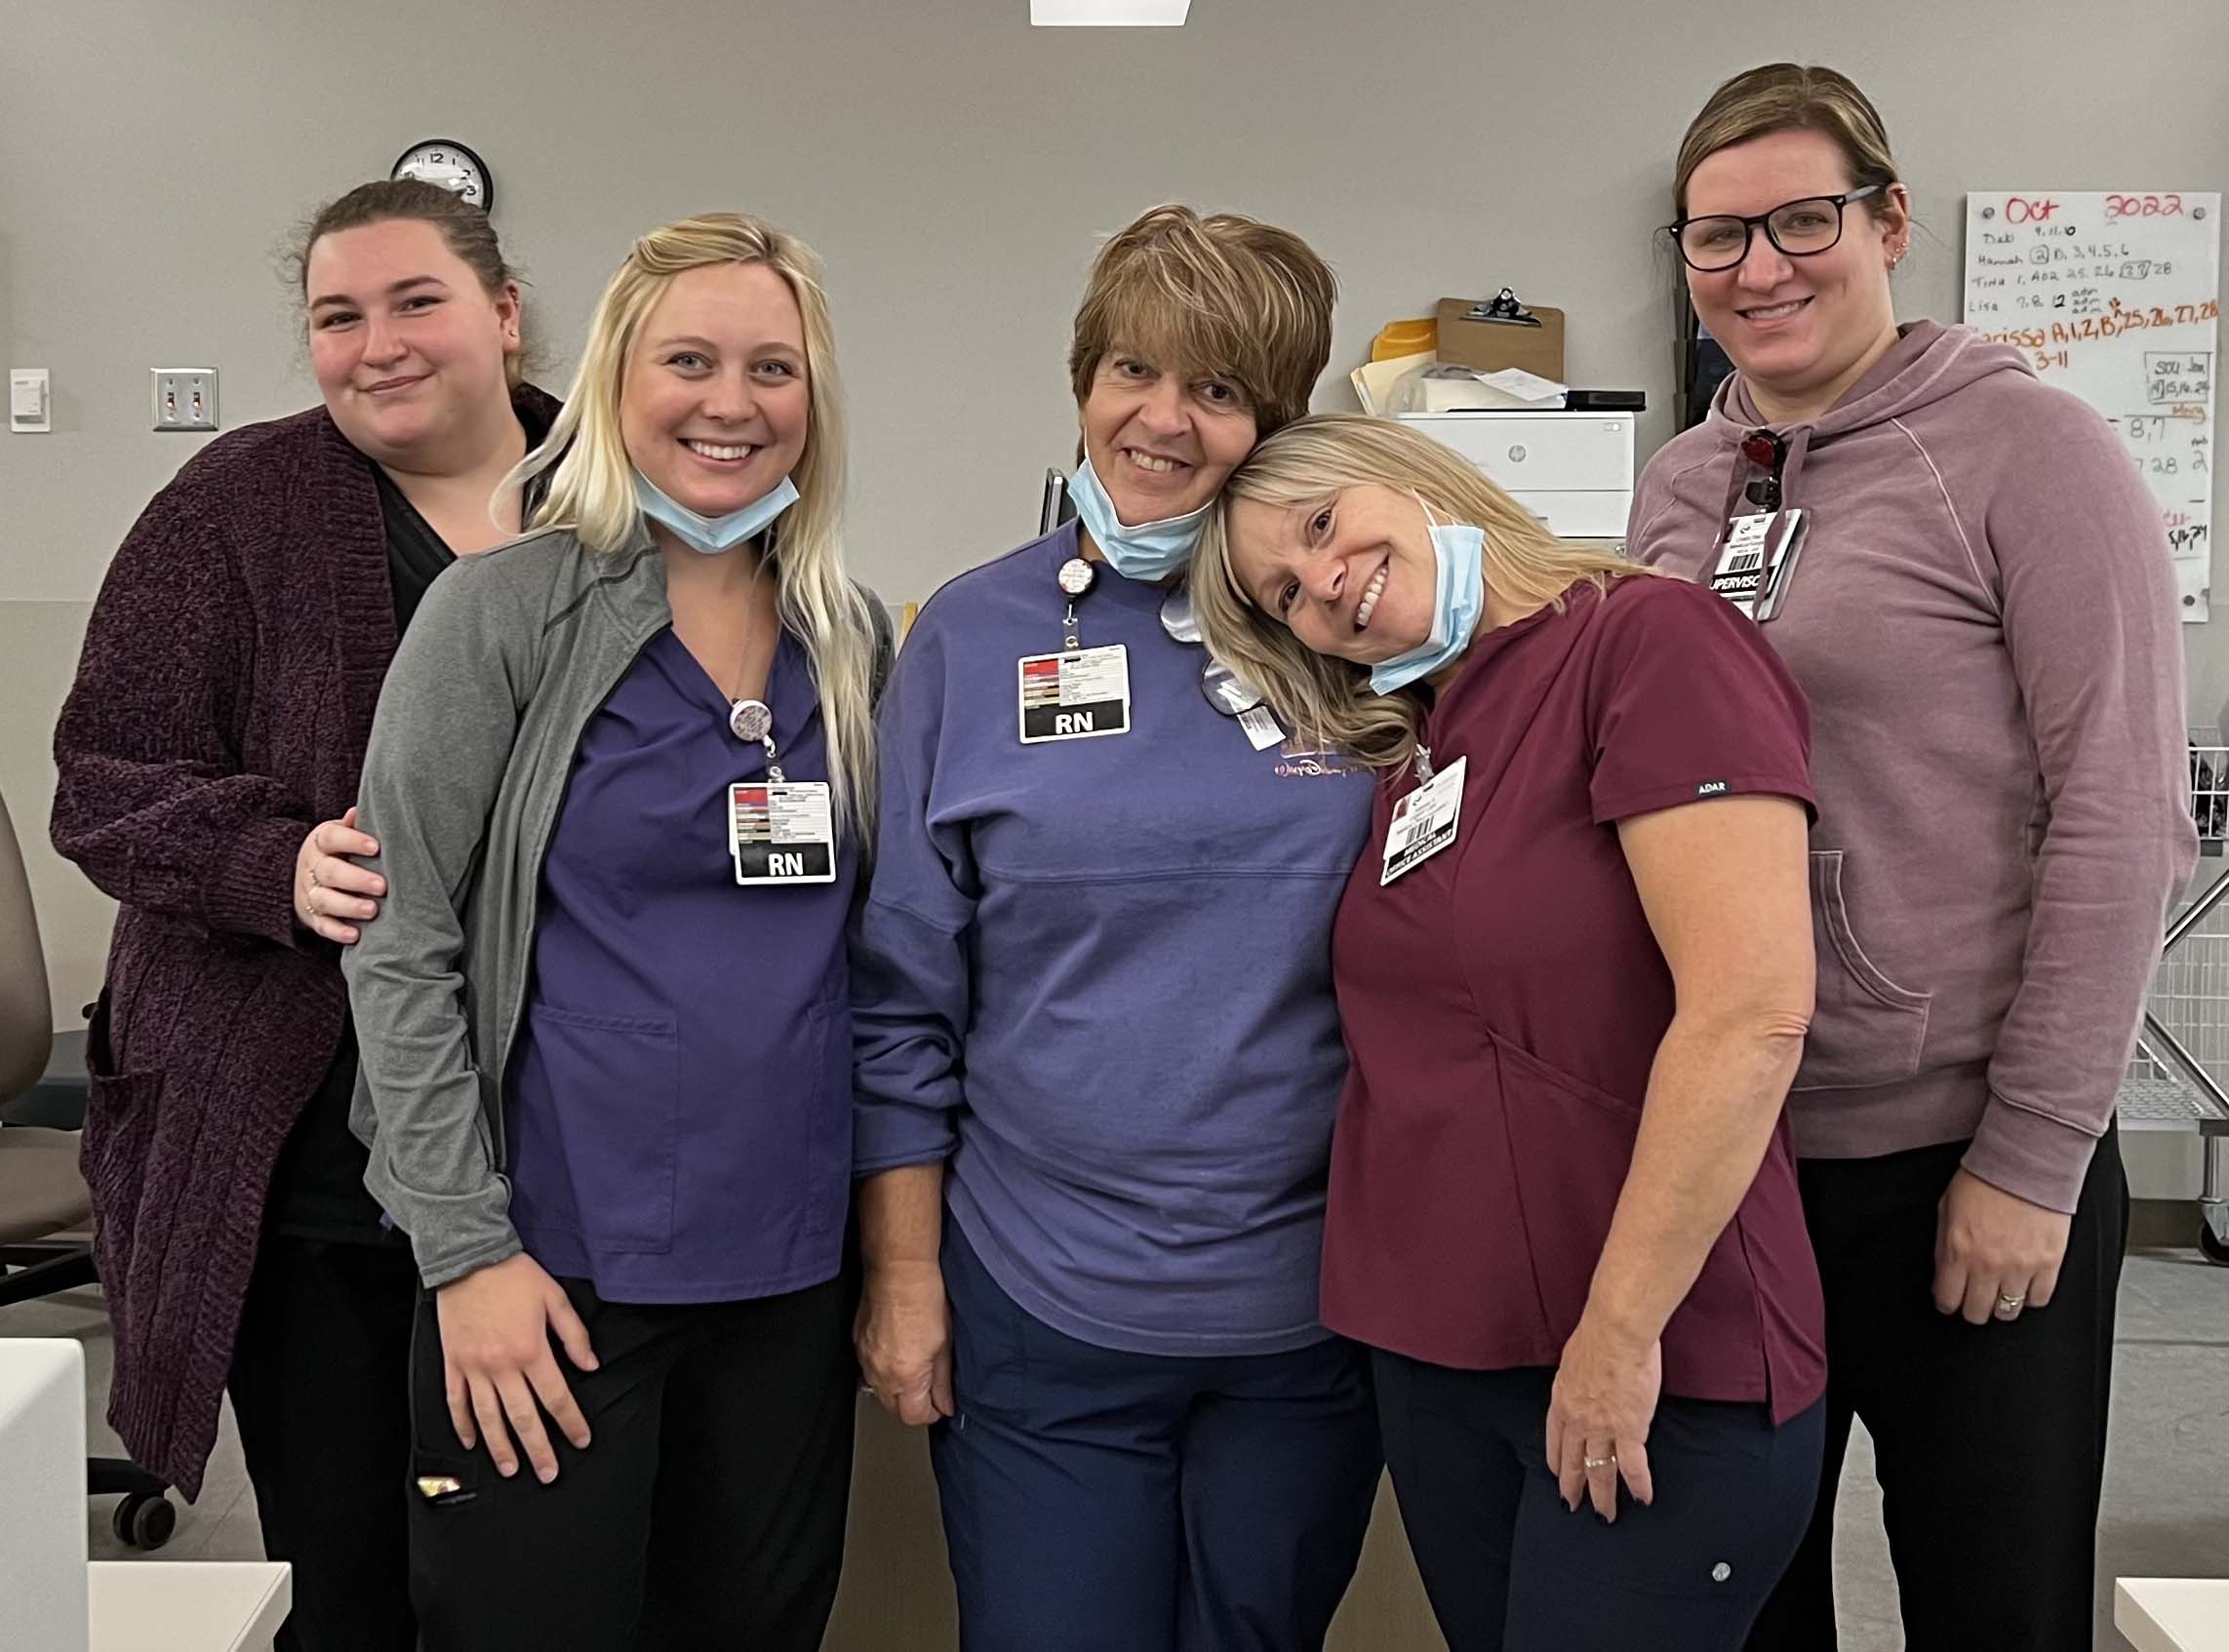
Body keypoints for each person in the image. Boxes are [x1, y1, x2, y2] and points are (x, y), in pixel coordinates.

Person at [1629, 62, 2198, 1651]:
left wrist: (2029, 1150)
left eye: (1801, 219)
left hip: (1965, 1158)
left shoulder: (2034, 452)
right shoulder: (1683, 483)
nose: (1761, 267)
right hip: (1741, 1155)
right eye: (1718, 236)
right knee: (1746, 1596)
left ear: (1887, 222)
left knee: (1990, 1599)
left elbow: (2121, 813)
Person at [1192, 412, 1828, 1650]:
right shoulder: (1424, 737)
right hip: (1445, 1356)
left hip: (1647, 1360)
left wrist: (1618, 1330)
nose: (1324, 586)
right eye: (1285, 595)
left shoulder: (1648, 640)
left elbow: (1750, 1012)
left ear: (1411, 474)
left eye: (1323, 526)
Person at [342, 212, 889, 1651]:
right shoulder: (502, 612)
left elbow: (884, 960)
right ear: (612, 383)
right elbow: (397, 945)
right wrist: (464, 1255)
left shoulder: (851, 638)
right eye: (689, 360)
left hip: (783, 1271)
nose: (732, 401)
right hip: (553, 1273)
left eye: (773, 366)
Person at [850, 205, 1383, 1651]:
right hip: (1042, 1298)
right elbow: (899, 998)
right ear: (1081, 380)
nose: (1161, 419)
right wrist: (904, 1279)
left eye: (1216, 389)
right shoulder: (967, 639)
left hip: (1310, 1305)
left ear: (1274, 422)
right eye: (1131, 370)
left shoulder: (1353, 641)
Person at [51, 177, 551, 1651]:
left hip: (554, 1141)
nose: (377, 345)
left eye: (417, 303)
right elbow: (103, 778)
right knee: (352, 1572)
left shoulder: (615, 493)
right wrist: (269, 862)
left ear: (504, 313)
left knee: (534, 1568)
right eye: (339, 316)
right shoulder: (233, 508)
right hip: (307, 1150)